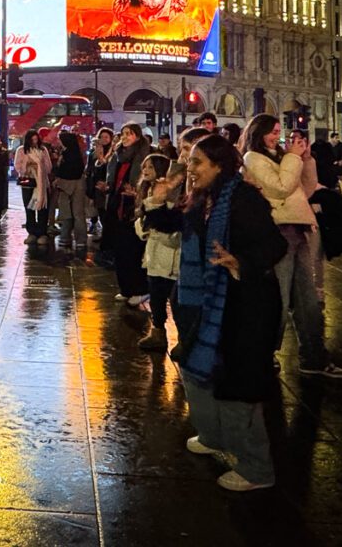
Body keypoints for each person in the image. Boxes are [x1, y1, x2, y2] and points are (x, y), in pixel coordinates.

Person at [145, 135, 287, 492]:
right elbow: (175, 226)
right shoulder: (201, 200)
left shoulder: (243, 200)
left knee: (237, 387)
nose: (189, 169)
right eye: (189, 161)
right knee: (196, 373)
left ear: (219, 167)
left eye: (197, 163)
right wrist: (158, 202)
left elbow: (275, 244)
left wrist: (240, 262)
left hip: (240, 305)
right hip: (199, 304)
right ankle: (212, 435)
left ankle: (257, 469)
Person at [240, 114, 342, 378]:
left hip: (298, 230)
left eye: (279, 131)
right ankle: (265, 353)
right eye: (272, 132)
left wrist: (306, 159)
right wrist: (293, 158)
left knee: (307, 299)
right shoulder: (253, 158)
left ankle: (313, 355)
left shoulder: (282, 157)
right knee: (280, 298)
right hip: (278, 233)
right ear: (258, 132)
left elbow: (306, 189)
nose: (277, 136)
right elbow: (281, 188)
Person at [134, 153, 183, 352]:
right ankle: (157, 332)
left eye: (151, 168)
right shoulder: (146, 192)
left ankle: (182, 339)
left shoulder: (170, 197)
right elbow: (142, 223)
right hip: (153, 255)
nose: (145, 171)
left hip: (170, 257)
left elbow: (171, 230)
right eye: (144, 167)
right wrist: (145, 230)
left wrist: (154, 230)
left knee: (175, 300)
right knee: (156, 298)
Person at [104, 122, 152, 305]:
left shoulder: (144, 155)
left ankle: (139, 289)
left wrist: (137, 193)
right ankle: (125, 288)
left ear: (137, 137)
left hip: (134, 208)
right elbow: (114, 178)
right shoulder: (118, 156)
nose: (124, 137)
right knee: (120, 251)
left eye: (129, 134)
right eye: (123, 133)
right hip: (118, 206)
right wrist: (108, 187)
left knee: (133, 251)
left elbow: (149, 181)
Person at [15, 129, 54, 245]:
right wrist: (28, 165)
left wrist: (39, 166)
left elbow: (49, 167)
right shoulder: (21, 150)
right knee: (29, 208)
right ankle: (31, 232)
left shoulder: (43, 150)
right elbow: (18, 166)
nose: (34, 142)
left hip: (42, 182)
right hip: (28, 183)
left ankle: (42, 232)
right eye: (32, 140)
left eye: (36, 139)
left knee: (43, 208)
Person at [55, 128, 88, 252]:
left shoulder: (65, 155)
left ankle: (65, 237)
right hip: (79, 184)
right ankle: (81, 240)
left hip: (66, 185)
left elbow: (62, 171)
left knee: (67, 213)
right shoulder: (77, 154)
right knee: (78, 214)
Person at [87, 127, 113, 243]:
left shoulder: (112, 153)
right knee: (100, 210)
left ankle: (108, 236)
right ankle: (104, 234)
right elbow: (90, 168)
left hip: (107, 184)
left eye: (106, 137)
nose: (104, 139)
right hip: (96, 184)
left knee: (107, 212)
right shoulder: (93, 152)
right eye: (101, 137)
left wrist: (102, 158)